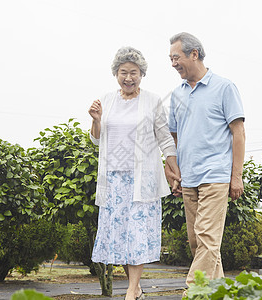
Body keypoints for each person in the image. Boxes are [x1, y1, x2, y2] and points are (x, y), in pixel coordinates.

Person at [88, 46, 180, 300]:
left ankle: (132, 288)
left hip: (142, 178)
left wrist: (173, 167)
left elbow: (164, 138)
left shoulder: (151, 100)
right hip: (114, 179)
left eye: (134, 73)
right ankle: (135, 287)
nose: (128, 78)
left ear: (142, 74)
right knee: (120, 234)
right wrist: (96, 119)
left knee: (137, 233)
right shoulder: (106, 100)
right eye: (123, 72)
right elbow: (97, 140)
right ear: (116, 73)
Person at [165, 32, 246, 286]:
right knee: (198, 243)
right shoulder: (176, 95)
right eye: (170, 59)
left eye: (176, 57)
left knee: (207, 240)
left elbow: (238, 133)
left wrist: (236, 176)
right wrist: (175, 174)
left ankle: (192, 293)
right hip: (189, 178)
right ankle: (219, 292)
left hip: (215, 176)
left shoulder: (224, 87)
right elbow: (175, 139)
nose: (173, 63)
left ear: (194, 54)